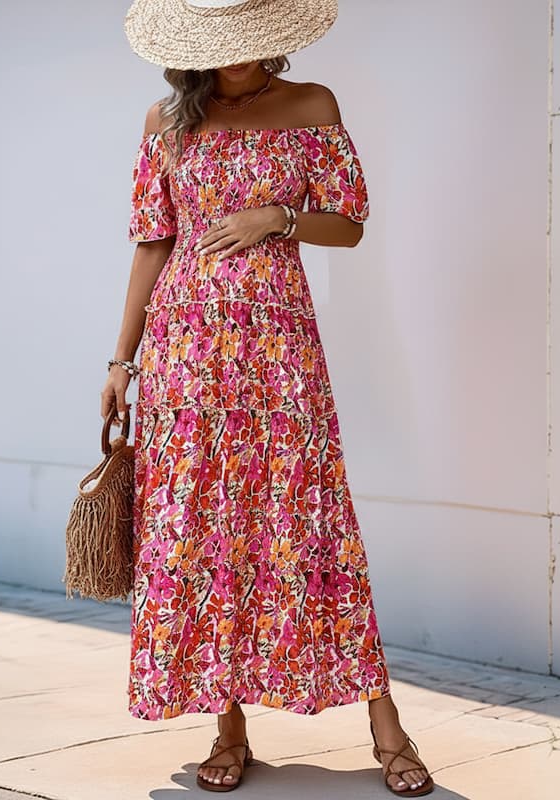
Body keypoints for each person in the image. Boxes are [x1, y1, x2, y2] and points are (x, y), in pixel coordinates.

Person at [101, 0, 433, 795]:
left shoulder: (313, 105)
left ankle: (386, 723)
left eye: (247, 42)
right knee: (208, 529)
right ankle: (229, 727)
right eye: (220, 45)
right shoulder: (166, 120)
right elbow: (154, 242)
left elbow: (349, 223)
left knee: (309, 516)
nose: (236, 58)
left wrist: (276, 218)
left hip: (278, 349)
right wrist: (122, 360)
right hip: (185, 353)